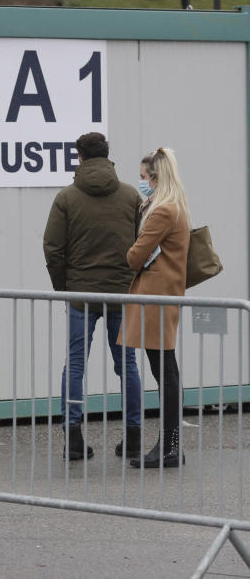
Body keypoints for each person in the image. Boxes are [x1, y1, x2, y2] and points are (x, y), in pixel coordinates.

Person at [43, 132, 143, 461]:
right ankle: (133, 436)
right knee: (126, 364)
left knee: (74, 365)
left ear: (80, 158)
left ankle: (72, 439)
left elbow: (53, 248)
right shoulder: (131, 196)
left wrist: (66, 287)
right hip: (121, 293)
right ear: (107, 156)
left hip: (81, 295)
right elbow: (141, 244)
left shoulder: (67, 198)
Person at [119, 148, 190, 468]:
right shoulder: (175, 206)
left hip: (155, 297)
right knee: (167, 371)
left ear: (157, 178)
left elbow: (135, 256)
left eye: (144, 177)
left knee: (165, 372)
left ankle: (170, 446)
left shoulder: (162, 211)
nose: (141, 183)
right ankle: (170, 444)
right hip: (163, 296)